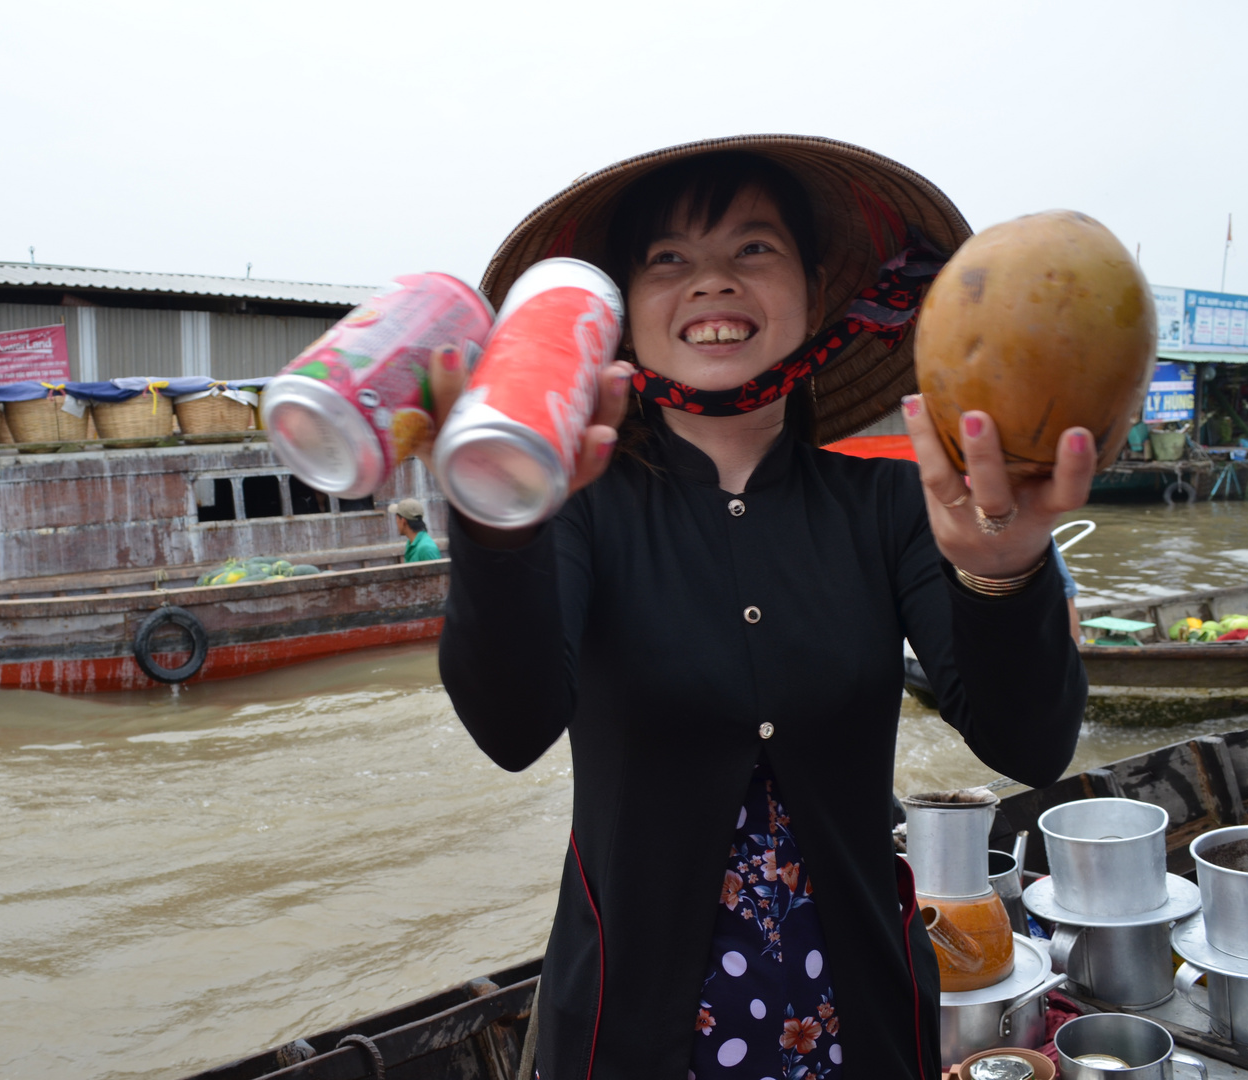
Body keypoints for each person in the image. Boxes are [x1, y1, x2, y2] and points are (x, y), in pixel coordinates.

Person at [423, 138, 1090, 1079]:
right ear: (618, 310)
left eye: (752, 250)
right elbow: (510, 727)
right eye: (668, 259)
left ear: (813, 294)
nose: (710, 283)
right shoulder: (578, 508)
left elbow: (1029, 746)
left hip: (858, 1017)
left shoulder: (892, 507)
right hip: (631, 1028)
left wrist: (1007, 571)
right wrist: (497, 537)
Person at [389, 497, 441, 562]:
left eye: (396, 518)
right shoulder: (411, 543)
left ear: (403, 521)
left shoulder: (426, 549)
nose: (396, 522)